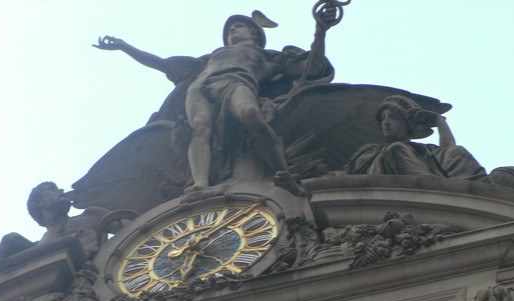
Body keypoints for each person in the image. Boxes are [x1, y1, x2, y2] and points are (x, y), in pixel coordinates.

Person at [94, 9, 339, 193]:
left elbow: (311, 66)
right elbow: (161, 63)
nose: (232, 32)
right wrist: (125, 47)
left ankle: (282, 172)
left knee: (250, 115)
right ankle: (200, 183)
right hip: (201, 88)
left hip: (238, 83)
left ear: (254, 32)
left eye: (237, 27)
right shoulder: (210, 57)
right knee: (200, 128)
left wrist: (321, 30)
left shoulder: (271, 58)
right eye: (229, 30)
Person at [346, 95, 486, 179]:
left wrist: (439, 121)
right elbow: (350, 172)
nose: (386, 123)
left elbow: (449, 151)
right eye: (383, 119)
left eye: (393, 117)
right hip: (396, 191)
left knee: (457, 150)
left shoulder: (426, 150)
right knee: (396, 148)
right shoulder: (372, 151)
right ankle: (431, 186)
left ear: (408, 125)